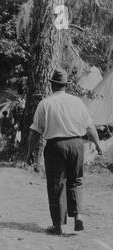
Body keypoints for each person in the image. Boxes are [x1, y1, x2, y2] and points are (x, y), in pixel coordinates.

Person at [26, 69, 102, 235]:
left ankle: (58, 226)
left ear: (52, 84)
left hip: (56, 146)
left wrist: (29, 152)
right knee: (76, 181)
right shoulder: (77, 102)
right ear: (66, 86)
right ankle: (78, 215)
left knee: (56, 184)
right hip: (77, 144)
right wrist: (98, 145)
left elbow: (35, 132)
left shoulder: (45, 104)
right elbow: (89, 127)